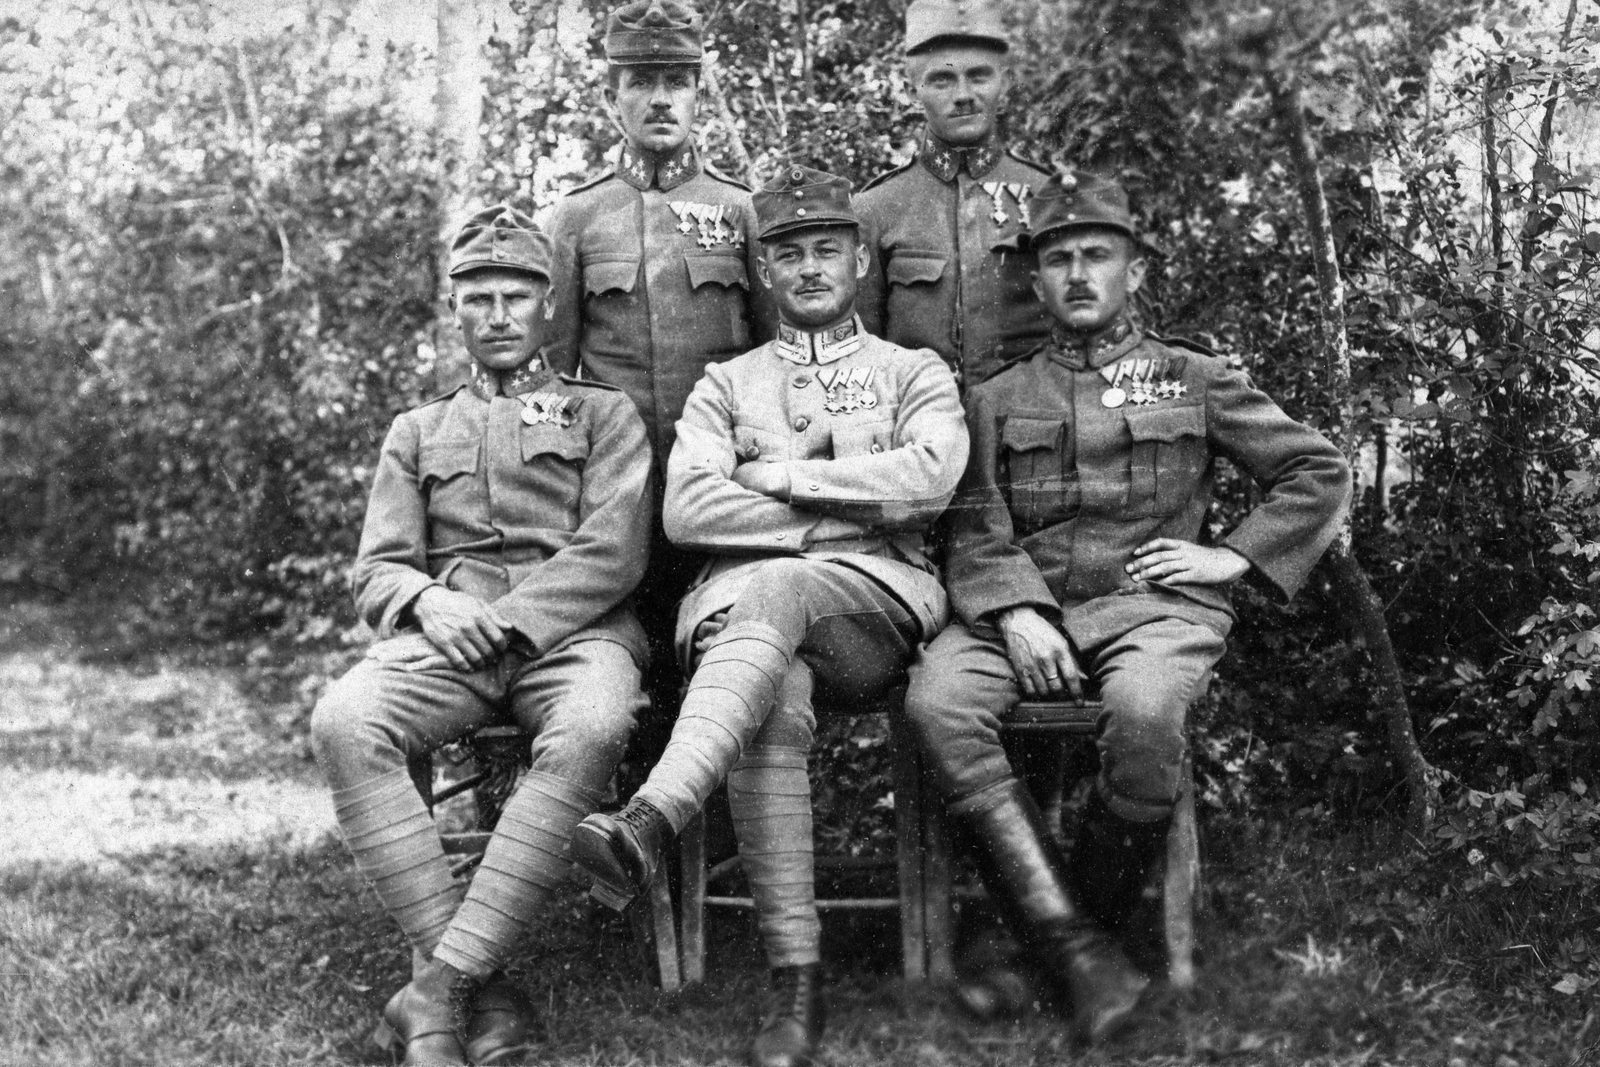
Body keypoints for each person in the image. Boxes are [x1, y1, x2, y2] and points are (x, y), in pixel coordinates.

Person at [902, 171, 1353, 1043]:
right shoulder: (994, 396)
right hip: (1020, 612)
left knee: (1145, 714)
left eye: (1097, 255)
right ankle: (1082, 957)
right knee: (938, 700)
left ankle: (1048, 949)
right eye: (1058, 258)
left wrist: (1230, 556)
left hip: (1155, 610)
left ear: (1135, 269)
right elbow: (974, 525)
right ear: (1034, 281)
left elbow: (1317, 470)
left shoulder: (1194, 376)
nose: (1077, 274)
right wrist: (1017, 612)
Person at [571, 167, 968, 1067]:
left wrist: (785, 482)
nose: (811, 268)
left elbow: (931, 480)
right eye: (789, 253)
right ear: (763, 269)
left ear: (860, 258)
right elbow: (687, 512)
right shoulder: (726, 384)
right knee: (769, 682)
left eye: (828, 248)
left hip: (876, 608)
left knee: (777, 589)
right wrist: (858, 507)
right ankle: (798, 982)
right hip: (741, 620)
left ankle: (653, 815)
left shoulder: (914, 372)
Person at [310, 206, 653, 1066]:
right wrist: (429, 602)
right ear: (455, 310)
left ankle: (436, 990)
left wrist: (503, 619)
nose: (498, 314)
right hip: (448, 647)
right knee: (345, 718)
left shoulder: (603, 415)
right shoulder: (417, 429)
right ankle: (485, 987)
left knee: (595, 727)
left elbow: (614, 551)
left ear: (548, 307)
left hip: (574, 639)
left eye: (516, 297)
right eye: (478, 298)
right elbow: (377, 568)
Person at [543, 0, 777, 737]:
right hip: (619, 497)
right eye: (641, 81)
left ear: (700, 91)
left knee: (725, 675)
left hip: (723, 493)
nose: (661, 98)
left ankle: (721, 846)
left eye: (677, 79)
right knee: (626, 677)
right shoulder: (577, 220)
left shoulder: (742, 212)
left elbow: (776, 363)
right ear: (612, 96)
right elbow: (555, 377)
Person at [856, 0, 1052, 392]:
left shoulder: (1046, 195)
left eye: (979, 76)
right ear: (914, 90)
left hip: (1031, 428)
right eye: (942, 80)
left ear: (1006, 82)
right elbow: (863, 350)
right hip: (920, 432)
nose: (963, 95)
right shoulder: (875, 208)